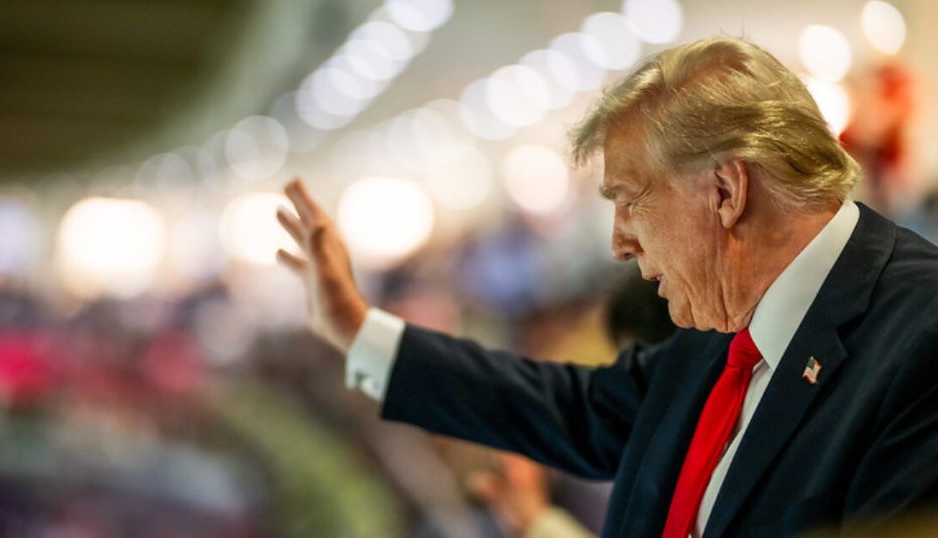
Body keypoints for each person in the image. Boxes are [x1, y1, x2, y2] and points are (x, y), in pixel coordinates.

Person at [275, 36, 938, 537]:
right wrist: (357, 330)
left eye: (630, 200)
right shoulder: (725, 327)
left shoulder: (921, 343)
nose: (619, 242)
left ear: (726, 191)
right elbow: (567, 407)